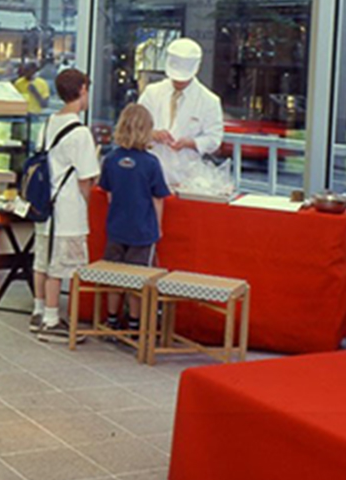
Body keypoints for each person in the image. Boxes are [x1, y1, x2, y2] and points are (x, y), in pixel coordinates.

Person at [32, 68, 99, 342]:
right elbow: (86, 179)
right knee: (60, 266)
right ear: (82, 89)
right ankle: (51, 319)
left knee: (43, 260)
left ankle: (38, 311)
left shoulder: (49, 123)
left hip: (45, 206)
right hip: (68, 208)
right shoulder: (80, 133)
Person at [98, 103, 171, 331]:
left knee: (114, 276)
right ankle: (134, 323)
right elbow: (158, 198)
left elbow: (108, 194)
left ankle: (111, 321)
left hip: (116, 227)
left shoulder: (110, 159)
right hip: (142, 231)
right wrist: (158, 227)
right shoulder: (151, 163)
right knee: (137, 280)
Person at [137, 37, 224, 186]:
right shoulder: (152, 93)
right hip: (149, 170)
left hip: (186, 176)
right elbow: (135, 126)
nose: (178, 82)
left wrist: (192, 142)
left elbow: (214, 138)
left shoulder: (209, 101)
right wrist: (153, 134)